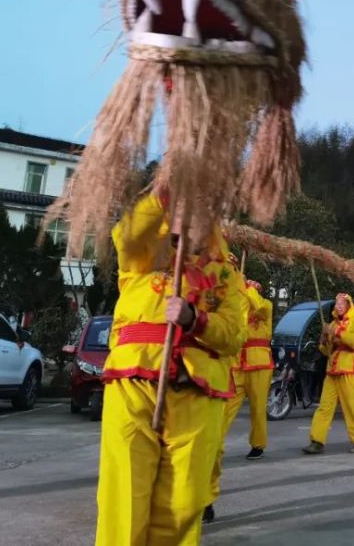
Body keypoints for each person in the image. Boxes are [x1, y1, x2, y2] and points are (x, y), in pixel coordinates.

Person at [96, 193, 247, 546]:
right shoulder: (144, 254)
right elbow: (127, 235)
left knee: (182, 505)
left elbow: (234, 336)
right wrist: (162, 190)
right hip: (132, 385)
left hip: (197, 392)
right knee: (123, 498)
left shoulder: (225, 271)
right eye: (177, 207)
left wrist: (196, 319)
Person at [203, 279, 274, 522]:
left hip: (259, 362)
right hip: (237, 364)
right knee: (226, 409)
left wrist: (250, 289)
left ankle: (258, 444)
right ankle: (216, 441)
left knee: (258, 408)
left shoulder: (265, 304)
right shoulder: (238, 303)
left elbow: (259, 307)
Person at [302, 293, 354, 454]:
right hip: (332, 369)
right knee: (324, 407)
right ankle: (316, 441)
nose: (338, 306)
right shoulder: (331, 324)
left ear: (348, 305)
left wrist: (337, 332)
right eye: (337, 303)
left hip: (348, 368)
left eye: (342, 303)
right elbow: (326, 351)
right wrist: (324, 340)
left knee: (352, 407)